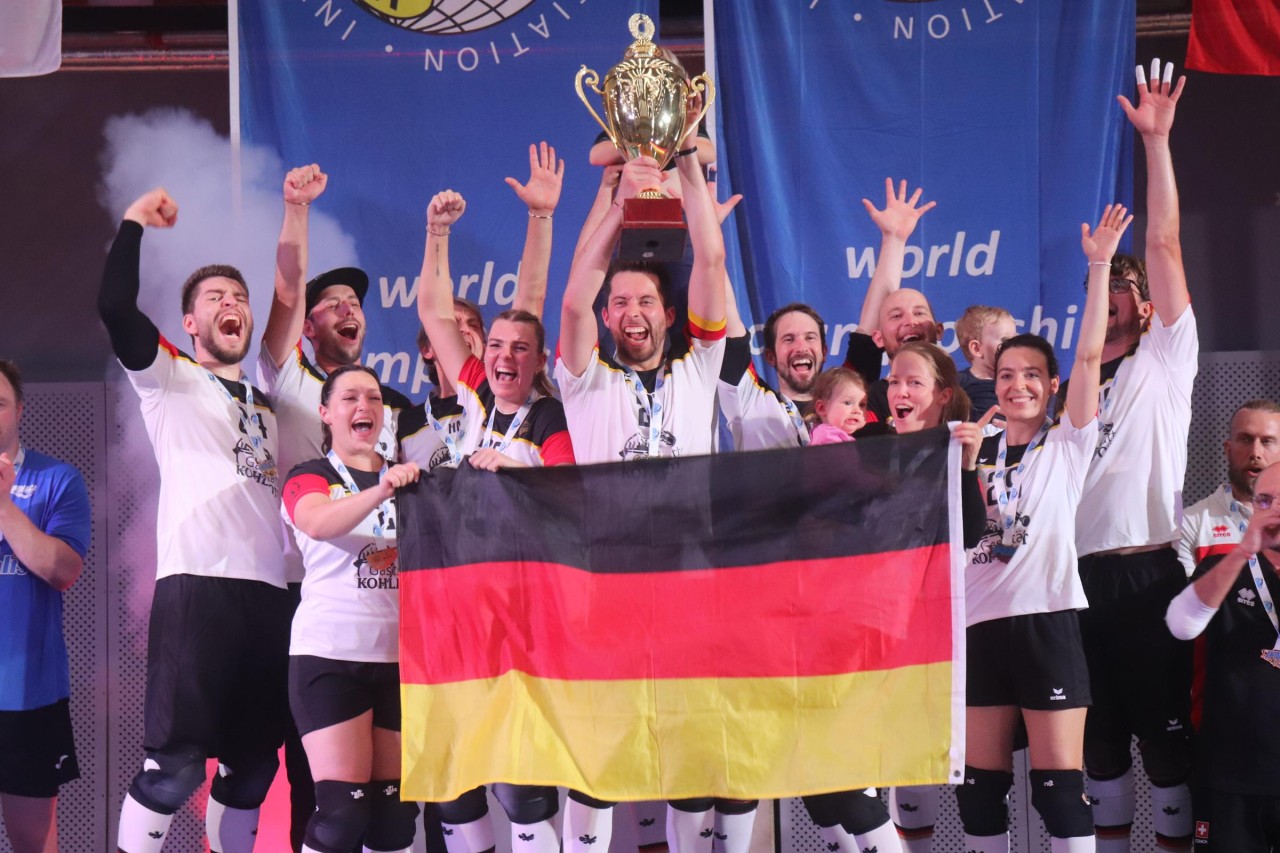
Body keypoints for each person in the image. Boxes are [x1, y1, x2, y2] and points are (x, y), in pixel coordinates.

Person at [99, 188, 293, 853]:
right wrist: (133, 223)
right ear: (189, 322)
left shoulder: (267, 401)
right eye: (214, 297)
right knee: (175, 768)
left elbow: (289, 300)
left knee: (254, 767)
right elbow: (114, 307)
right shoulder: (171, 378)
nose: (230, 303)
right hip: (198, 587)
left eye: (238, 296)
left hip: (269, 594)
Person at [556, 107, 728, 853]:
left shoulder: (699, 370)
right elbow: (573, 297)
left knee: (689, 752)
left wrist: (688, 162)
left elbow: (711, 264)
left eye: (645, 301)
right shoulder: (585, 381)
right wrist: (620, 206)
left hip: (690, 583)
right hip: (607, 587)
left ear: (668, 313)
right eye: (620, 302)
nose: (631, 311)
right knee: (600, 753)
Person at [950, 204, 1126, 853]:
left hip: (1046, 622)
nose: (1017, 384)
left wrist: (1100, 266)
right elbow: (964, 533)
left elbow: (1089, 352)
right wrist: (964, 463)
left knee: (1057, 790)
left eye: (1031, 374)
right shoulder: (973, 446)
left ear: (1052, 385)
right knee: (978, 790)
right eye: (1005, 375)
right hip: (978, 626)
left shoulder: (1068, 442)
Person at [1065, 62, 1198, 852]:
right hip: (1076, 580)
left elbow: (1164, 241)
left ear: (1147, 308)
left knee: (1168, 749)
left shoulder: (1165, 359)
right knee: (1100, 748)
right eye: (1100, 296)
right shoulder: (1067, 384)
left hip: (1150, 574)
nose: (1111, 308)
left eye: (1124, 297)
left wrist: (1155, 143)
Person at [280, 365, 422, 853]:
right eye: (350, 398)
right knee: (341, 814)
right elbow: (318, 524)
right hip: (330, 657)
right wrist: (381, 491)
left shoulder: (410, 478)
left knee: (394, 817)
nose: (365, 406)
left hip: (400, 662)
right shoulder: (309, 476)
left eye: (374, 398)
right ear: (325, 413)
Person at [400, 142, 565, 475]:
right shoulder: (479, 391)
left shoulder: (548, 417)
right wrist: (437, 230)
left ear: (539, 361)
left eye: (520, 348)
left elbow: (571, 489)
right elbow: (435, 314)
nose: (505, 356)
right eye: (496, 346)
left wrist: (541, 215)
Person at [882, 342, 977, 853]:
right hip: (881, 630)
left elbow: (973, 533)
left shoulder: (956, 450)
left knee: (952, 760)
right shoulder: (868, 450)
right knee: (895, 760)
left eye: (913, 382)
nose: (899, 390)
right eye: (893, 381)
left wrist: (967, 466)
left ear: (942, 395)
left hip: (942, 629)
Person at [1165, 462, 1280, 852]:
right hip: (1230, 777)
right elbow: (1181, 624)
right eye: (1265, 500)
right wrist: (1242, 552)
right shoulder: (1222, 568)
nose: (1274, 511)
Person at [0, 359, 90, 853]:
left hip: (27, 696)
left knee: (32, 842)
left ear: (19, 410)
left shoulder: (57, 479)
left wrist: (3, 506)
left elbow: (62, 570)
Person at [842, 179, 939, 425]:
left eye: (919, 313)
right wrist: (893, 240)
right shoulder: (866, 399)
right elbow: (864, 340)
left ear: (938, 330)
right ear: (879, 337)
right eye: (896, 316)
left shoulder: (966, 391)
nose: (910, 321)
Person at [1178, 400, 1280, 577]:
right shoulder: (1190, 524)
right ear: (1228, 450)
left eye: (1267, 442)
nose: (1255, 453)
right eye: (1245, 439)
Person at [955, 305, 1017, 421]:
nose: (1015, 345)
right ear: (977, 348)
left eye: (1016, 339)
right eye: (1006, 340)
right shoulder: (958, 384)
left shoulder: (1020, 382)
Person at [807, 368, 869, 445]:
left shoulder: (835, 435)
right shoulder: (828, 437)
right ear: (822, 408)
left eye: (862, 405)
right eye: (848, 403)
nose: (857, 410)